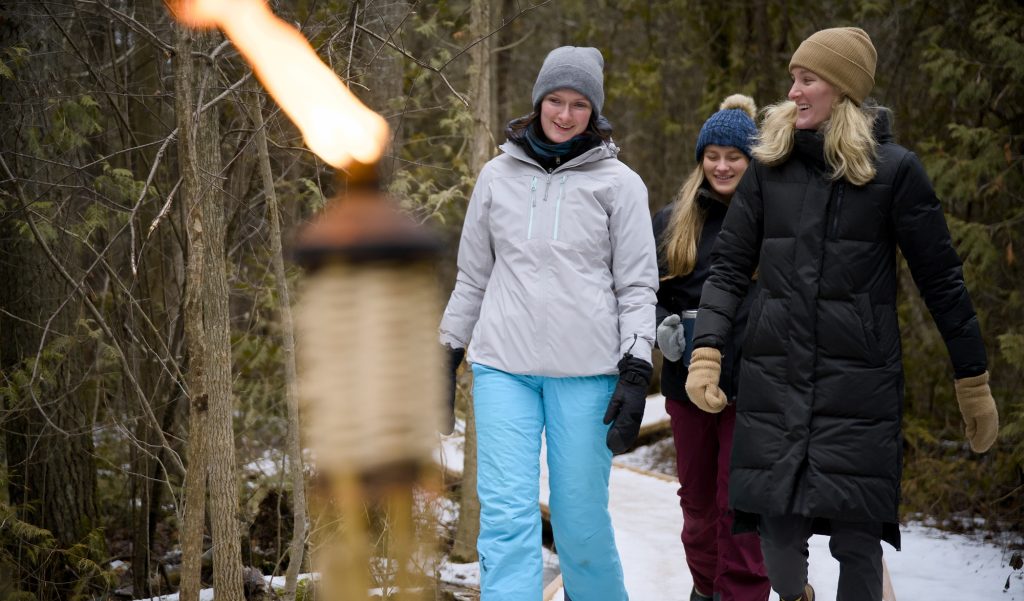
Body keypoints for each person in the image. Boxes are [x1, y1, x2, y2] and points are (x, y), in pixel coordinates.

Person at [684, 27, 1000, 601]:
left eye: (807, 79)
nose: (793, 90)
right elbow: (729, 269)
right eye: (793, 78)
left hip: (858, 389)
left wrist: (972, 380)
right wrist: (706, 351)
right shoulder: (767, 168)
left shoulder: (894, 172)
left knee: (857, 546)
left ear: (842, 89)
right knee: (777, 548)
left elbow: (942, 283)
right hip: (774, 381)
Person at [439, 45, 658, 601]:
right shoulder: (496, 175)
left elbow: (636, 286)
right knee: (508, 516)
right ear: (537, 102)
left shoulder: (620, 184)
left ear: (595, 111)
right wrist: (447, 352)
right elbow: (473, 276)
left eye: (579, 104)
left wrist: (636, 367)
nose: (564, 114)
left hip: (586, 373)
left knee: (579, 523)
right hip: (502, 367)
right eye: (555, 101)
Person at [654, 94, 771, 601]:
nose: (722, 166)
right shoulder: (672, 221)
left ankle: (740, 593)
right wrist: (663, 327)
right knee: (698, 506)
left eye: (735, 156)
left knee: (739, 504)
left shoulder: (775, 220)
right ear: (700, 159)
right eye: (712, 155)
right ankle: (706, 589)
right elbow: (646, 294)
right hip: (685, 386)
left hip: (752, 387)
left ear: (753, 161)